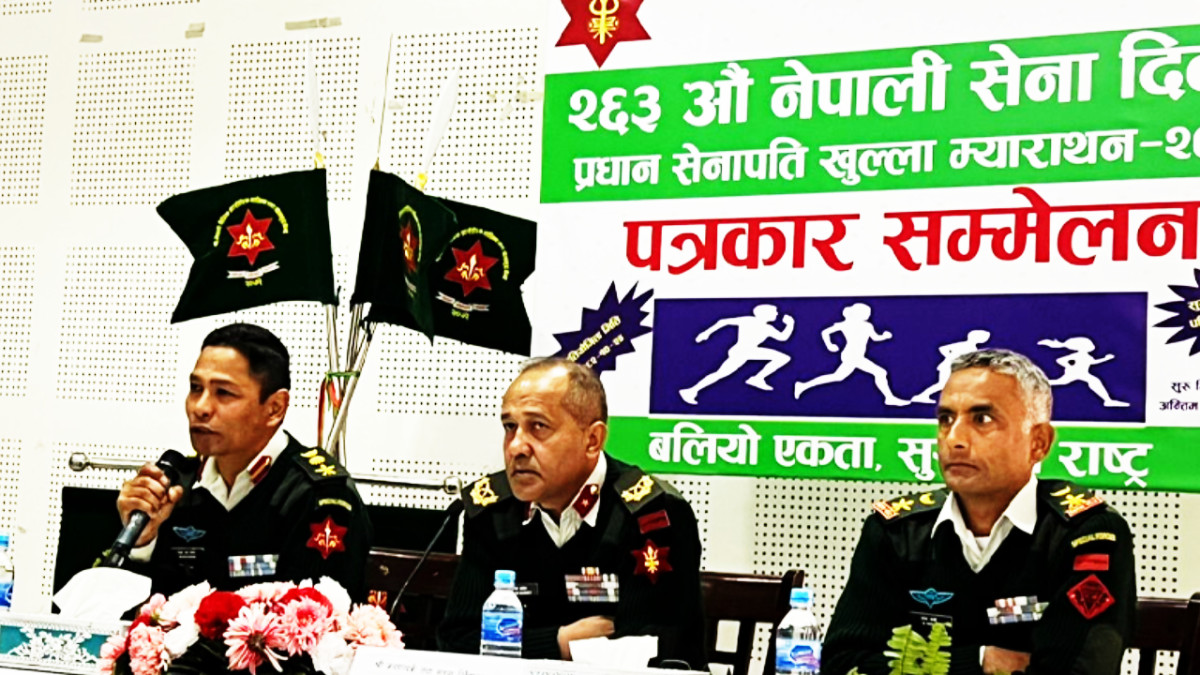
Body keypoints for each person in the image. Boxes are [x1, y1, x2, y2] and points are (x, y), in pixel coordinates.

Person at [823, 349, 1135, 675]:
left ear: (1038, 442)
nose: (954, 439)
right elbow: (842, 664)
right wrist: (979, 662)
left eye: (982, 419)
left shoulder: (1086, 535)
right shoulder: (897, 532)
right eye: (946, 419)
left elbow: (1077, 670)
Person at [438, 358, 706, 668]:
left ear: (592, 440)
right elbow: (458, 639)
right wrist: (560, 642)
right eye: (510, 427)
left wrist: (517, 641)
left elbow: (655, 647)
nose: (516, 447)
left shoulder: (652, 514)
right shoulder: (492, 511)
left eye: (538, 427)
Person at [114, 323, 372, 599]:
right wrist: (143, 542)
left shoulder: (319, 495)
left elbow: (318, 616)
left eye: (224, 393)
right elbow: (127, 611)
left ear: (274, 408)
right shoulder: (175, 487)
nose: (200, 407)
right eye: (195, 388)